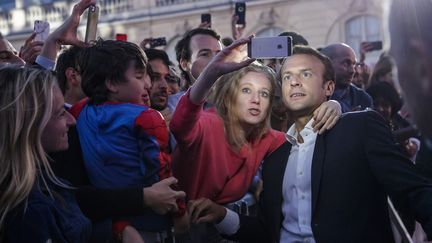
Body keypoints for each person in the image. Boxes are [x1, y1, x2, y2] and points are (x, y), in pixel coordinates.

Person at [188, 45, 432, 243]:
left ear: (328, 87)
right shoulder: (275, 156)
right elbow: (267, 230)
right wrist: (222, 215)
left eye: (305, 74)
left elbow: (412, 190)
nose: (294, 82)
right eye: (287, 77)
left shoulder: (359, 127)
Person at [70, 39, 188, 241]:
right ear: (112, 83)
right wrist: (180, 213)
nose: (148, 84)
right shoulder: (148, 118)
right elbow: (162, 171)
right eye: (140, 77)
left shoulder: (79, 111)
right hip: (151, 223)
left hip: (108, 222)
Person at [0, 65, 90, 242]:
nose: (71, 121)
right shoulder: (29, 214)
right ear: (29, 126)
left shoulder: (42, 183)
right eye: (60, 113)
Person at [321, 43, 373, 112]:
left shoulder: (362, 99)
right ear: (327, 63)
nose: (353, 71)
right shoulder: (311, 95)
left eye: (354, 64)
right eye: (346, 63)